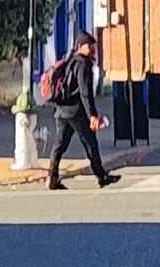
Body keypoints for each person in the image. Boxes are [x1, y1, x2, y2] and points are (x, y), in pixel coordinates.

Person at [46, 32, 119, 190]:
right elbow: (85, 92)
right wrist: (92, 115)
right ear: (80, 46)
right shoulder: (82, 64)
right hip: (75, 111)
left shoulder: (70, 59)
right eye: (89, 46)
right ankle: (101, 176)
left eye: (93, 46)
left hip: (61, 109)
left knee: (60, 144)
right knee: (90, 143)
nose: (92, 49)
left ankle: (52, 177)